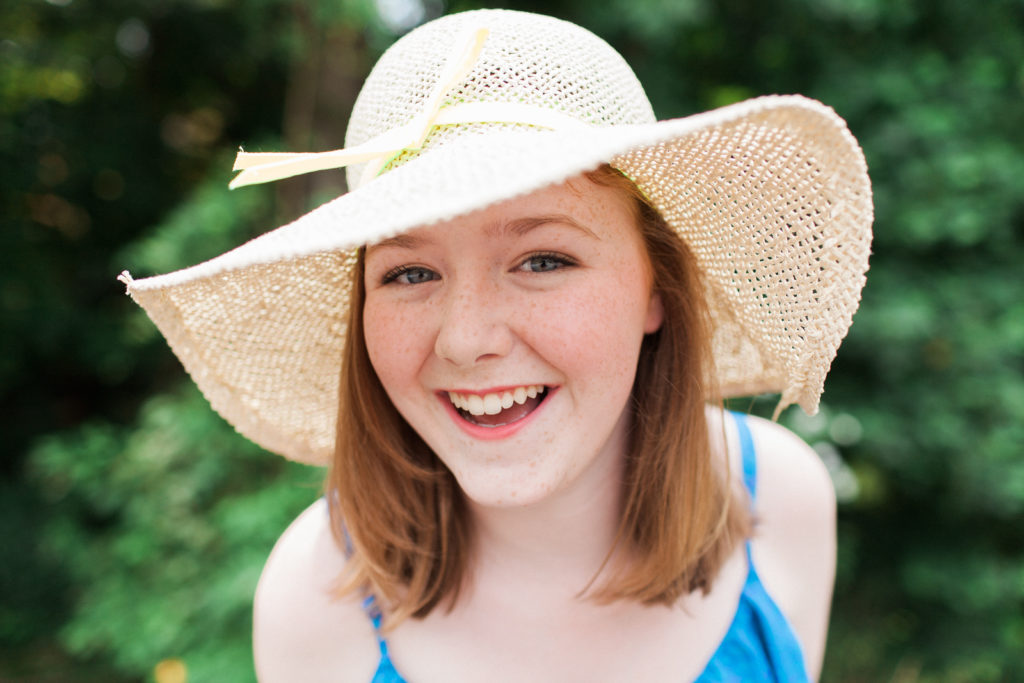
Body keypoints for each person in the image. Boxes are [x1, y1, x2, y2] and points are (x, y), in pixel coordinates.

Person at [119, 9, 872, 682]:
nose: (468, 339)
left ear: (658, 291)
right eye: (410, 271)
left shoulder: (779, 498)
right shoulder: (316, 601)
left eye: (543, 261)